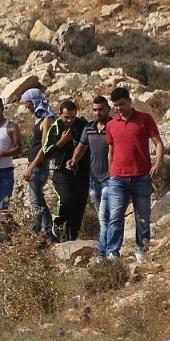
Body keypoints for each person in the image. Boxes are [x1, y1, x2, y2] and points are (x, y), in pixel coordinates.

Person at [102, 86, 164, 262]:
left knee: (143, 216)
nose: (119, 108)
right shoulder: (111, 125)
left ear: (129, 101)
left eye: (122, 104)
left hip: (142, 177)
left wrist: (158, 163)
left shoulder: (145, 119)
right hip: (118, 178)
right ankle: (113, 252)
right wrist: (111, 173)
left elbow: (158, 143)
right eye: (115, 105)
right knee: (115, 215)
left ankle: (141, 249)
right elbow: (111, 151)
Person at [71, 97, 113, 250]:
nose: (97, 113)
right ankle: (110, 246)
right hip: (93, 180)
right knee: (103, 217)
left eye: (101, 109)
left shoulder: (114, 126)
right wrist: (74, 160)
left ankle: (103, 252)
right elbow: (82, 147)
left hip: (110, 179)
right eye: (94, 110)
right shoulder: (89, 127)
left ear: (108, 109)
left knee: (103, 216)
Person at [19, 88, 59, 238]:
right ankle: (49, 230)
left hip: (39, 166)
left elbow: (45, 147)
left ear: (33, 102)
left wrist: (31, 166)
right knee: (38, 198)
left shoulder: (47, 119)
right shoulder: (41, 118)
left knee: (35, 201)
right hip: (37, 164)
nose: (25, 107)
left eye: (27, 103)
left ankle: (38, 230)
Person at [48, 100, 88, 241]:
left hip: (82, 171)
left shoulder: (83, 125)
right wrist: (62, 141)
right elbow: (47, 151)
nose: (70, 120)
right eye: (66, 117)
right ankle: (55, 223)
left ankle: (71, 238)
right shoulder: (55, 127)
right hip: (61, 171)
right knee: (67, 200)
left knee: (79, 205)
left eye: (72, 117)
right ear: (60, 115)